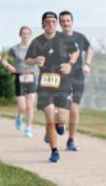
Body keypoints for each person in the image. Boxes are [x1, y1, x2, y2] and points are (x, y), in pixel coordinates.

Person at [26, 12, 78, 163]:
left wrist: (70, 64)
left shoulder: (65, 39)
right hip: (45, 84)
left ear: (56, 24)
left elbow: (75, 52)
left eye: (53, 21)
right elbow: (28, 59)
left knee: (61, 117)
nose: (50, 24)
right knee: (49, 114)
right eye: (47, 22)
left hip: (64, 83)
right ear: (42, 25)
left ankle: (57, 124)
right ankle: (54, 151)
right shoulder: (37, 42)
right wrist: (35, 60)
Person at [58, 10, 92, 151]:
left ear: (72, 22)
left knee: (74, 111)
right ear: (60, 23)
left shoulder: (80, 37)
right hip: (60, 78)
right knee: (60, 111)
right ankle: (56, 124)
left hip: (77, 76)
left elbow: (89, 49)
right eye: (63, 21)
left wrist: (87, 64)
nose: (66, 23)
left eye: (68, 20)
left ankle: (71, 140)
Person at [5, 26, 37, 137]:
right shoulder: (14, 49)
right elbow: (4, 60)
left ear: (30, 35)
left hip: (31, 77)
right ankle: (19, 116)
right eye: (23, 33)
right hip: (19, 78)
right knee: (22, 107)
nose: (26, 35)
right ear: (20, 35)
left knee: (30, 106)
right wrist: (8, 66)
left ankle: (28, 128)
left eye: (28, 33)